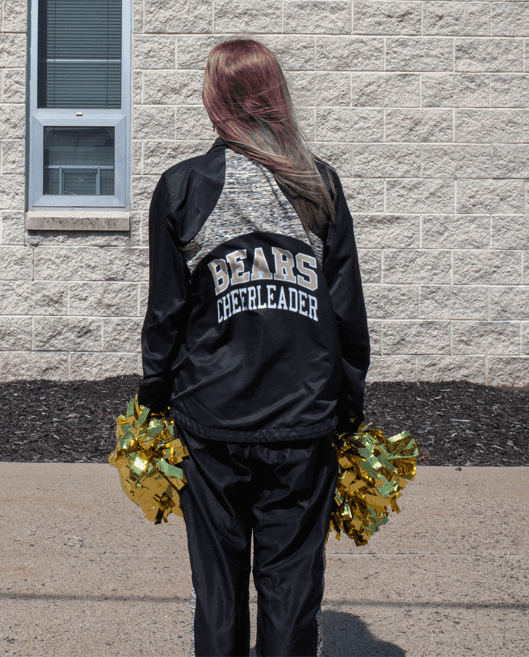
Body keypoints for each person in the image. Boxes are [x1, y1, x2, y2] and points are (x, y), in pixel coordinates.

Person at [138, 39, 370, 657]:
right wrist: (347, 406)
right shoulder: (317, 184)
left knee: (218, 591)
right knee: (291, 587)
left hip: (212, 419)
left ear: (216, 101)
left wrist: (153, 396)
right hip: (300, 421)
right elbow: (346, 314)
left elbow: (166, 313)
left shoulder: (183, 186)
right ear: (274, 95)